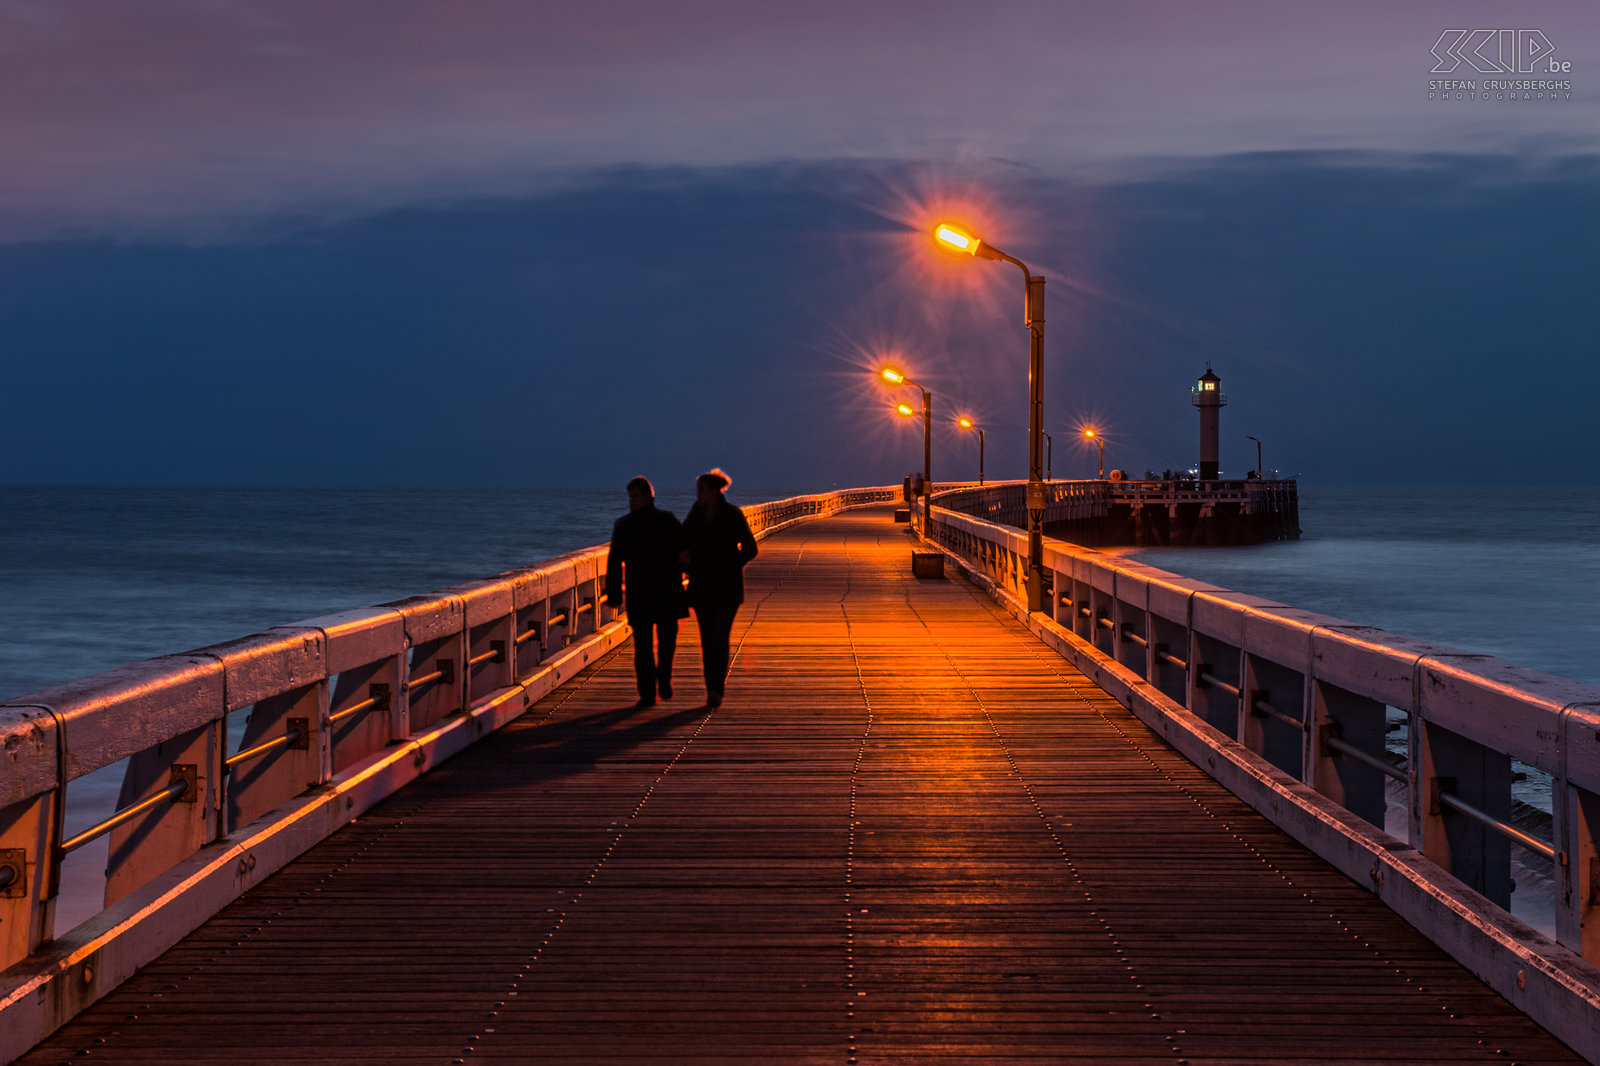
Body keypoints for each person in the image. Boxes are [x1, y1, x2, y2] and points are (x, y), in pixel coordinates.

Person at [605, 476, 687, 708]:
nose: (633, 500)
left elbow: (684, 550)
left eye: (637, 495)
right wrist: (613, 593)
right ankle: (649, 691)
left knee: (662, 641)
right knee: (646, 645)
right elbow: (614, 563)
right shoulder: (630, 524)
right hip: (652, 591)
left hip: (657, 591)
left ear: (649, 496)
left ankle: (661, 680)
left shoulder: (657, 521)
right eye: (631, 496)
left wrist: (613, 593)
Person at [679, 468, 758, 708]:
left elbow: (750, 548)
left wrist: (729, 564)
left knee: (719, 638)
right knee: (707, 640)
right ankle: (711, 688)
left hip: (727, 588)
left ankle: (716, 690)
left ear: (714, 492)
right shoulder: (695, 514)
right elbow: (682, 543)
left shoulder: (732, 515)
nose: (698, 495)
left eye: (702, 491)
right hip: (701, 587)